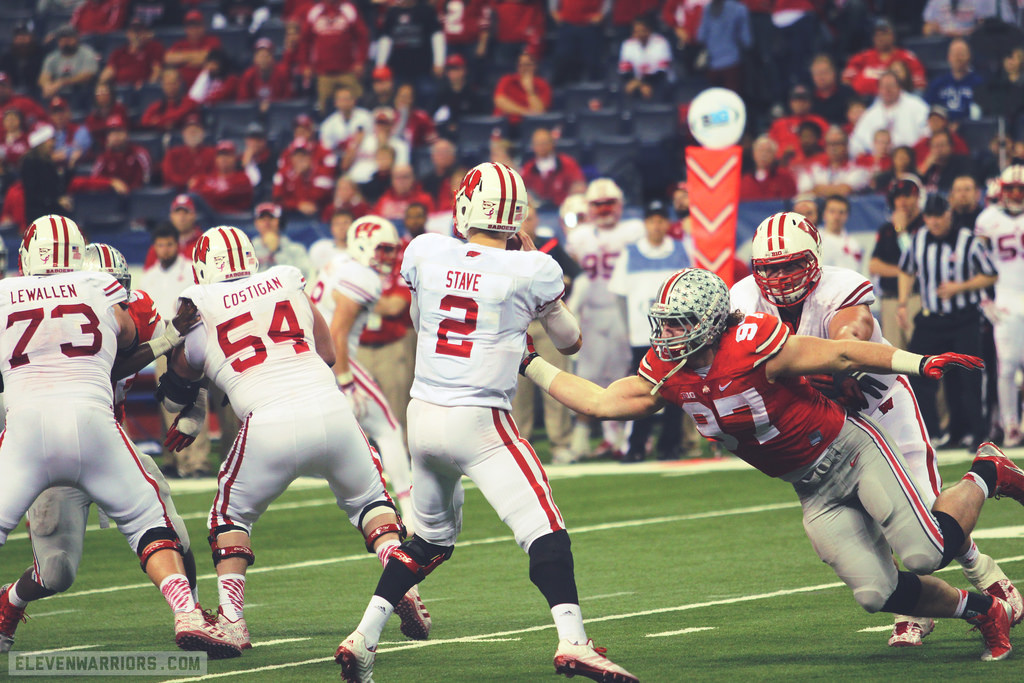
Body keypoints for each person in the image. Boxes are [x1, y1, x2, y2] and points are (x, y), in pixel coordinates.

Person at [525, 264, 1024, 662]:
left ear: (715, 319)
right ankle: (981, 611)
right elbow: (598, 401)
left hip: (851, 452)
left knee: (923, 553)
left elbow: (841, 353)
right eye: (667, 320)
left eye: (682, 322)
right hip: (809, 487)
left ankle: (987, 472)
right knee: (877, 593)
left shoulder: (752, 344)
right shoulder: (668, 369)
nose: (670, 333)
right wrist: (530, 363)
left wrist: (916, 361)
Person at [335, 162, 636, 683]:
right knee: (545, 529)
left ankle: (363, 637)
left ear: (465, 206)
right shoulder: (534, 267)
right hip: (480, 420)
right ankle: (573, 642)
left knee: (427, 543)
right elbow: (570, 342)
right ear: (516, 215)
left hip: (423, 417)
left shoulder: (425, 250)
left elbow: (419, 317)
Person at [732, 211, 1020, 647]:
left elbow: (851, 336)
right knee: (869, 520)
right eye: (770, 267)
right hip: (827, 425)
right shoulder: (744, 299)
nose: (780, 276)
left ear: (814, 259)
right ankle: (914, 609)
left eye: (791, 264)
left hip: (879, 406)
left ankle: (986, 504)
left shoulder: (839, 285)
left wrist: (836, 365)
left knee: (927, 523)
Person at [162, 225, 423, 650]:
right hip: (331, 409)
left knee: (230, 518)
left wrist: (196, 397)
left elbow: (178, 387)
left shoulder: (198, 310)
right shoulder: (286, 282)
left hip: (269, 422)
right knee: (373, 503)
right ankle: (403, 585)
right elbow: (328, 353)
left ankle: (231, 619)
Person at [0, 216, 238, 658]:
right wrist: (167, 340)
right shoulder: (101, 293)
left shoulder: (9, 293)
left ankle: (191, 611)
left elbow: (181, 363)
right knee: (57, 573)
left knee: (174, 529)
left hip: (73, 439)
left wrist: (193, 405)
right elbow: (120, 352)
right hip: (93, 432)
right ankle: (9, 602)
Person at [309, 215, 416, 529]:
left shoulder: (338, 262)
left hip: (309, 357)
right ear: (363, 244)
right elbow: (338, 333)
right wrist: (347, 383)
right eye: (382, 250)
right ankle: (409, 513)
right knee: (389, 431)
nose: (388, 257)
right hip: (333, 359)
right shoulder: (361, 276)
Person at [898, 194, 998, 448]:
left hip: (964, 318)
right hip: (931, 319)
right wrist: (902, 303)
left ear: (948, 215)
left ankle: (978, 434)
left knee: (968, 376)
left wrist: (960, 287)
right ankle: (935, 433)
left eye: (938, 215)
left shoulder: (968, 242)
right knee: (917, 372)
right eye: (929, 216)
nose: (934, 221)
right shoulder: (919, 238)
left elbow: (989, 275)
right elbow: (906, 269)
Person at [566, 178, 644, 460]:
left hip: (622, 311)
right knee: (588, 377)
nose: (603, 209)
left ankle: (623, 438)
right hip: (591, 313)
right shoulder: (580, 237)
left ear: (620, 205)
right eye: (598, 205)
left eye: (609, 203)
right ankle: (595, 439)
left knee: (624, 375)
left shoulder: (633, 231)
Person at [608, 200, 690, 462]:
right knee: (641, 393)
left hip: (676, 338)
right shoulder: (630, 253)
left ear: (667, 223)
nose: (656, 225)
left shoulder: (680, 250)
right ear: (646, 224)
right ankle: (636, 447)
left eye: (661, 220)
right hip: (642, 336)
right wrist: (627, 331)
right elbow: (619, 296)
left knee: (677, 392)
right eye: (652, 220)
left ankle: (670, 446)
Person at [513, 202, 581, 465]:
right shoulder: (505, 251)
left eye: (530, 218)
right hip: (518, 325)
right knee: (518, 394)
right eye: (523, 218)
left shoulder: (549, 247)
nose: (526, 223)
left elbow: (574, 277)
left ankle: (561, 443)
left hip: (545, 324)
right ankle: (520, 445)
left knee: (557, 386)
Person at [973, 165, 1024, 448]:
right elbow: (976, 263)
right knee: (1006, 367)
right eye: (1012, 189)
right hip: (1004, 297)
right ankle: (1010, 425)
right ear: (1002, 190)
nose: (1016, 194)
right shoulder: (988, 219)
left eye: (1021, 189)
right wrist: (985, 299)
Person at [870, 176, 925, 350]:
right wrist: (904, 273)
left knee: (921, 354)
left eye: (907, 195)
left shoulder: (926, 225)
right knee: (893, 357)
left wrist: (901, 232)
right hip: (890, 299)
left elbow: (919, 263)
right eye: (898, 196)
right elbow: (874, 265)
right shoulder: (886, 229)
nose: (902, 201)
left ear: (917, 198)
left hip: (917, 298)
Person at [298, 0, 370, 113]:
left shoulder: (348, 9)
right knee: (323, 108)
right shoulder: (315, 11)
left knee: (359, 102)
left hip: (347, 70)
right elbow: (305, 41)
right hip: (324, 72)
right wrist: (305, 65)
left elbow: (362, 37)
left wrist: (360, 61)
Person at [850, 71, 929, 158]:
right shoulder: (870, 113)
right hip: (879, 163)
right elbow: (856, 142)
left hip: (911, 158)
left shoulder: (917, 106)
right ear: (878, 89)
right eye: (884, 87)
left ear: (899, 87)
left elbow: (927, 134)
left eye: (891, 86)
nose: (887, 90)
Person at [842, 18, 926, 97]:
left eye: (884, 34)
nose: (880, 38)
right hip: (862, 103)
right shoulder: (862, 57)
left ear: (893, 35)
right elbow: (846, 82)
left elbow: (919, 87)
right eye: (877, 35)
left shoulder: (907, 57)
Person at [520, 128, 586, 209]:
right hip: (538, 211)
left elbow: (579, 186)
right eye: (538, 144)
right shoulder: (528, 169)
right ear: (533, 146)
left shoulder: (568, 163)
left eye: (544, 143)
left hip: (564, 208)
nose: (542, 147)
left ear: (552, 144)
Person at [695, 0, 751, 95]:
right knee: (732, 99)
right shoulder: (740, 9)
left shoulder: (708, 8)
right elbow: (747, 40)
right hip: (732, 62)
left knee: (716, 99)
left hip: (712, 63)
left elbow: (700, 36)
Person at [797, 126, 870, 197]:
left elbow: (844, 191)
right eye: (830, 144)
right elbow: (805, 192)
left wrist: (817, 189)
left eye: (837, 144)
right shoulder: (812, 169)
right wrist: (836, 189)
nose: (833, 148)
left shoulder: (858, 170)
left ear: (846, 146)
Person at [38, 25, 100, 105]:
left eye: (69, 39)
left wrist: (62, 82)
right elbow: (43, 77)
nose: (66, 42)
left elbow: (88, 75)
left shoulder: (87, 53)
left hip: (81, 94)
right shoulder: (52, 57)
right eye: (62, 39)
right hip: (57, 94)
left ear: (76, 38)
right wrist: (47, 86)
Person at [924, 38, 983, 124]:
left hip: (970, 128)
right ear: (948, 57)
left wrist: (961, 124)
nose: (958, 58)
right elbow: (929, 108)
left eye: (962, 54)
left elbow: (980, 113)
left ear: (969, 56)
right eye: (955, 54)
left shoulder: (978, 83)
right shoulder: (938, 84)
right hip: (943, 129)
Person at [188, 141, 253, 214]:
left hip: (233, 218)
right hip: (209, 217)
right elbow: (193, 194)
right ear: (216, 159)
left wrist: (207, 194)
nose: (224, 158)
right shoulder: (206, 177)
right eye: (220, 155)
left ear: (235, 158)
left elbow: (229, 197)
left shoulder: (242, 178)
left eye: (228, 155)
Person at [252, 202, 313, 279]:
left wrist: (277, 251)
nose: (267, 223)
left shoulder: (296, 249)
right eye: (262, 219)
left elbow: (304, 275)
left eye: (271, 218)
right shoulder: (248, 251)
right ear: (256, 223)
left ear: (280, 222)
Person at [90, 114, 151, 190]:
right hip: (111, 198)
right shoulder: (103, 159)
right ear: (107, 137)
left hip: (137, 198)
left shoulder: (139, 154)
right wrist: (111, 183)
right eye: (112, 133)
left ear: (126, 134)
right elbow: (94, 181)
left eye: (119, 131)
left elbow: (146, 180)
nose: (116, 136)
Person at [493, 48, 551, 127]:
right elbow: (500, 101)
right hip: (505, 124)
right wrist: (526, 112)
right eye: (521, 65)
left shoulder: (542, 84)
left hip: (529, 126)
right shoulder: (507, 80)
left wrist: (530, 91)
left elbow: (539, 112)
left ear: (535, 66)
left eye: (527, 64)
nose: (524, 68)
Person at [164, 10, 222, 88]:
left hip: (207, 86)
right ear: (186, 28)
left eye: (197, 25)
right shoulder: (180, 43)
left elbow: (210, 58)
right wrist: (197, 57)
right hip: (182, 87)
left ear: (203, 27)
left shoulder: (213, 40)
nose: (193, 30)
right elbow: (168, 58)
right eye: (190, 26)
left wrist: (183, 60)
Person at [618, 16, 671, 101]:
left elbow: (662, 72)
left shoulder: (661, 43)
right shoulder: (628, 44)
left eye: (641, 31)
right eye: (636, 31)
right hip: (635, 83)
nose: (638, 34)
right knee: (625, 88)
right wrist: (640, 84)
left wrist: (644, 83)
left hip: (658, 82)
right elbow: (625, 71)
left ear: (649, 30)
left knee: (660, 88)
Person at [99, 17, 164, 87]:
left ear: (145, 33)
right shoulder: (118, 53)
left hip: (142, 90)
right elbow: (108, 72)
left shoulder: (153, 48)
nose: (136, 35)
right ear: (128, 34)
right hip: (121, 90)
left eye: (139, 31)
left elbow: (157, 72)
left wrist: (146, 87)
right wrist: (102, 84)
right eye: (133, 31)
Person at [161, 114, 216, 192]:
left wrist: (198, 182)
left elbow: (215, 175)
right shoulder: (173, 154)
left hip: (204, 192)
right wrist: (187, 182)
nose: (192, 133)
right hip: (177, 192)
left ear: (202, 134)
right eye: (189, 131)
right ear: (183, 134)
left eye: (196, 130)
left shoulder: (211, 153)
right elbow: (169, 175)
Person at [236, 37, 294, 111]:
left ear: (272, 57)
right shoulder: (248, 75)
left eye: (266, 56)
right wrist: (257, 107)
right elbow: (242, 103)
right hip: (254, 116)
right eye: (260, 56)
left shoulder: (282, 73)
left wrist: (271, 106)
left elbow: (288, 101)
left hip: (278, 115)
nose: (263, 59)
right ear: (255, 58)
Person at [740, 136, 797, 201]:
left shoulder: (785, 177)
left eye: (768, 151)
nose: (764, 154)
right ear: (754, 154)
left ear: (775, 155)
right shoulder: (745, 180)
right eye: (761, 150)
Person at [818, 195, 863, 273]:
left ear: (847, 216)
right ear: (824, 214)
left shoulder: (854, 245)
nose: (836, 217)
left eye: (841, 212)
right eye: (832, 211)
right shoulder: (814, 239)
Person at [810, 54, 858, 125]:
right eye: (817, 73)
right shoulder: (809, 99)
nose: (821, 77)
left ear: (833, 73)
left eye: (825, 72)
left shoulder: (847, 93)